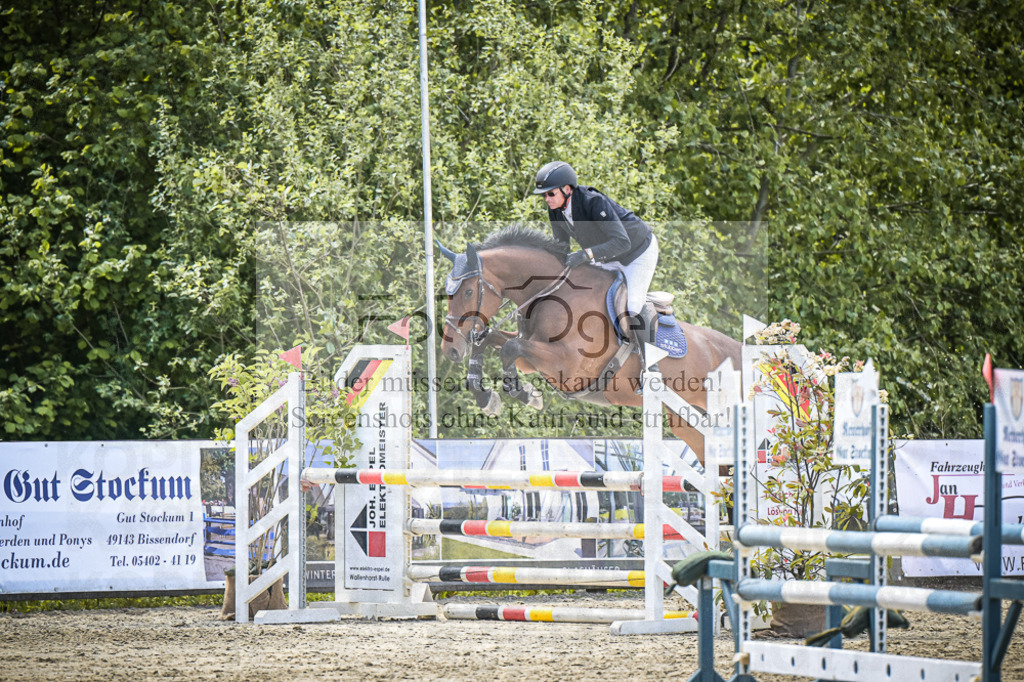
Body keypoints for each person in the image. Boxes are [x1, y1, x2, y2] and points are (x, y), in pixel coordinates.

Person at [533, 160, 660, 359]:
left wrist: (585, 255)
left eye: (551, 193)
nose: (547, 199)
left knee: (633, 306)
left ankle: (651, 366)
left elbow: (621, 242)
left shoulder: (593, 202)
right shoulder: (556, 211)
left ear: (567, 189)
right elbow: (562, 248)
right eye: (544, 195)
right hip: (607, 254)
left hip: (637, 252)